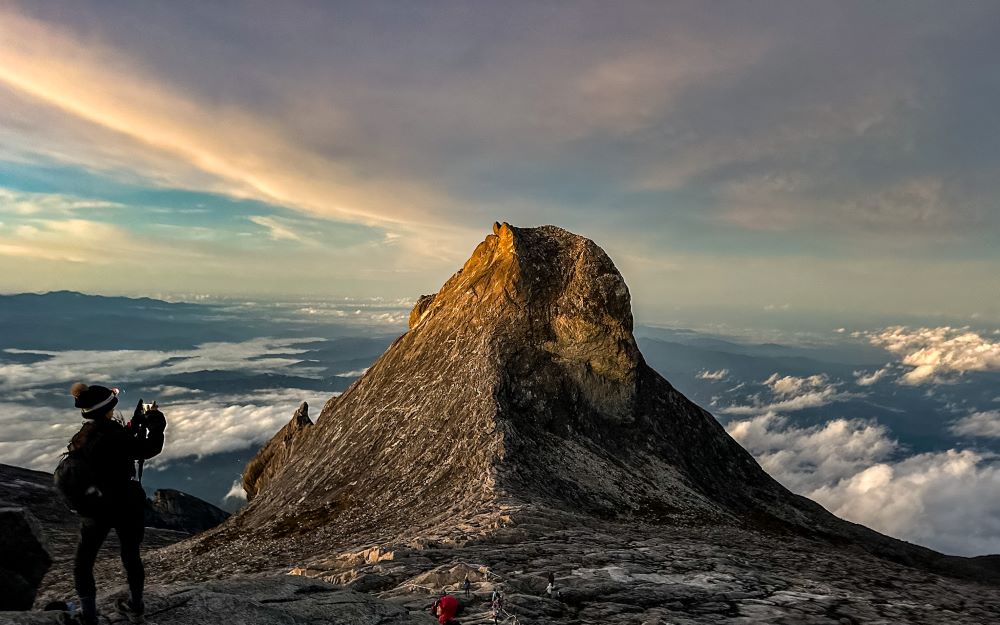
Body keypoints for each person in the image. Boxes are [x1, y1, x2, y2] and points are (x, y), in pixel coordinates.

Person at [67, 384, 165, 625]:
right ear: (110, 407)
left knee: (84, 562)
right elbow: (149, 448)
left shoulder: (82, 438)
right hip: (126, 504)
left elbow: (112, 444)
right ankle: (136, 607)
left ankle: (88, 615)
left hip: (95, 508)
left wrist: (133, 424)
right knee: (131, 556)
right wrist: (157, 425)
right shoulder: (116, 436)